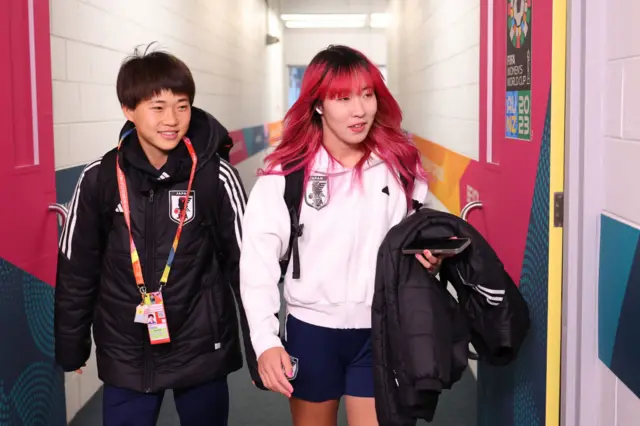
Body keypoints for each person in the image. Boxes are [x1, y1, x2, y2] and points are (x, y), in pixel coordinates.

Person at [239, 45, 446, 426]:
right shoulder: (286, 174)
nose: (359, 110)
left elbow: (425, 228)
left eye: (367, 95)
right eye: (343, 98)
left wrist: (430, 256)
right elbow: (257, 266)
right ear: (318, 104)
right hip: (311, 331)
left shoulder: (400, 166)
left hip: (380, 328)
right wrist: (266, 341)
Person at [54, 45, 256, 426]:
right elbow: (77, 270)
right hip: (127, 351)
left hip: (201, 346)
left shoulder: (214, 176)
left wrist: (263, 346)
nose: (173, 119)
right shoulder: (100, 178)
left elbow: (246, 269)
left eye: (182, 105)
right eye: (157, 106)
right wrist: (72, 346)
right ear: (129, 110)